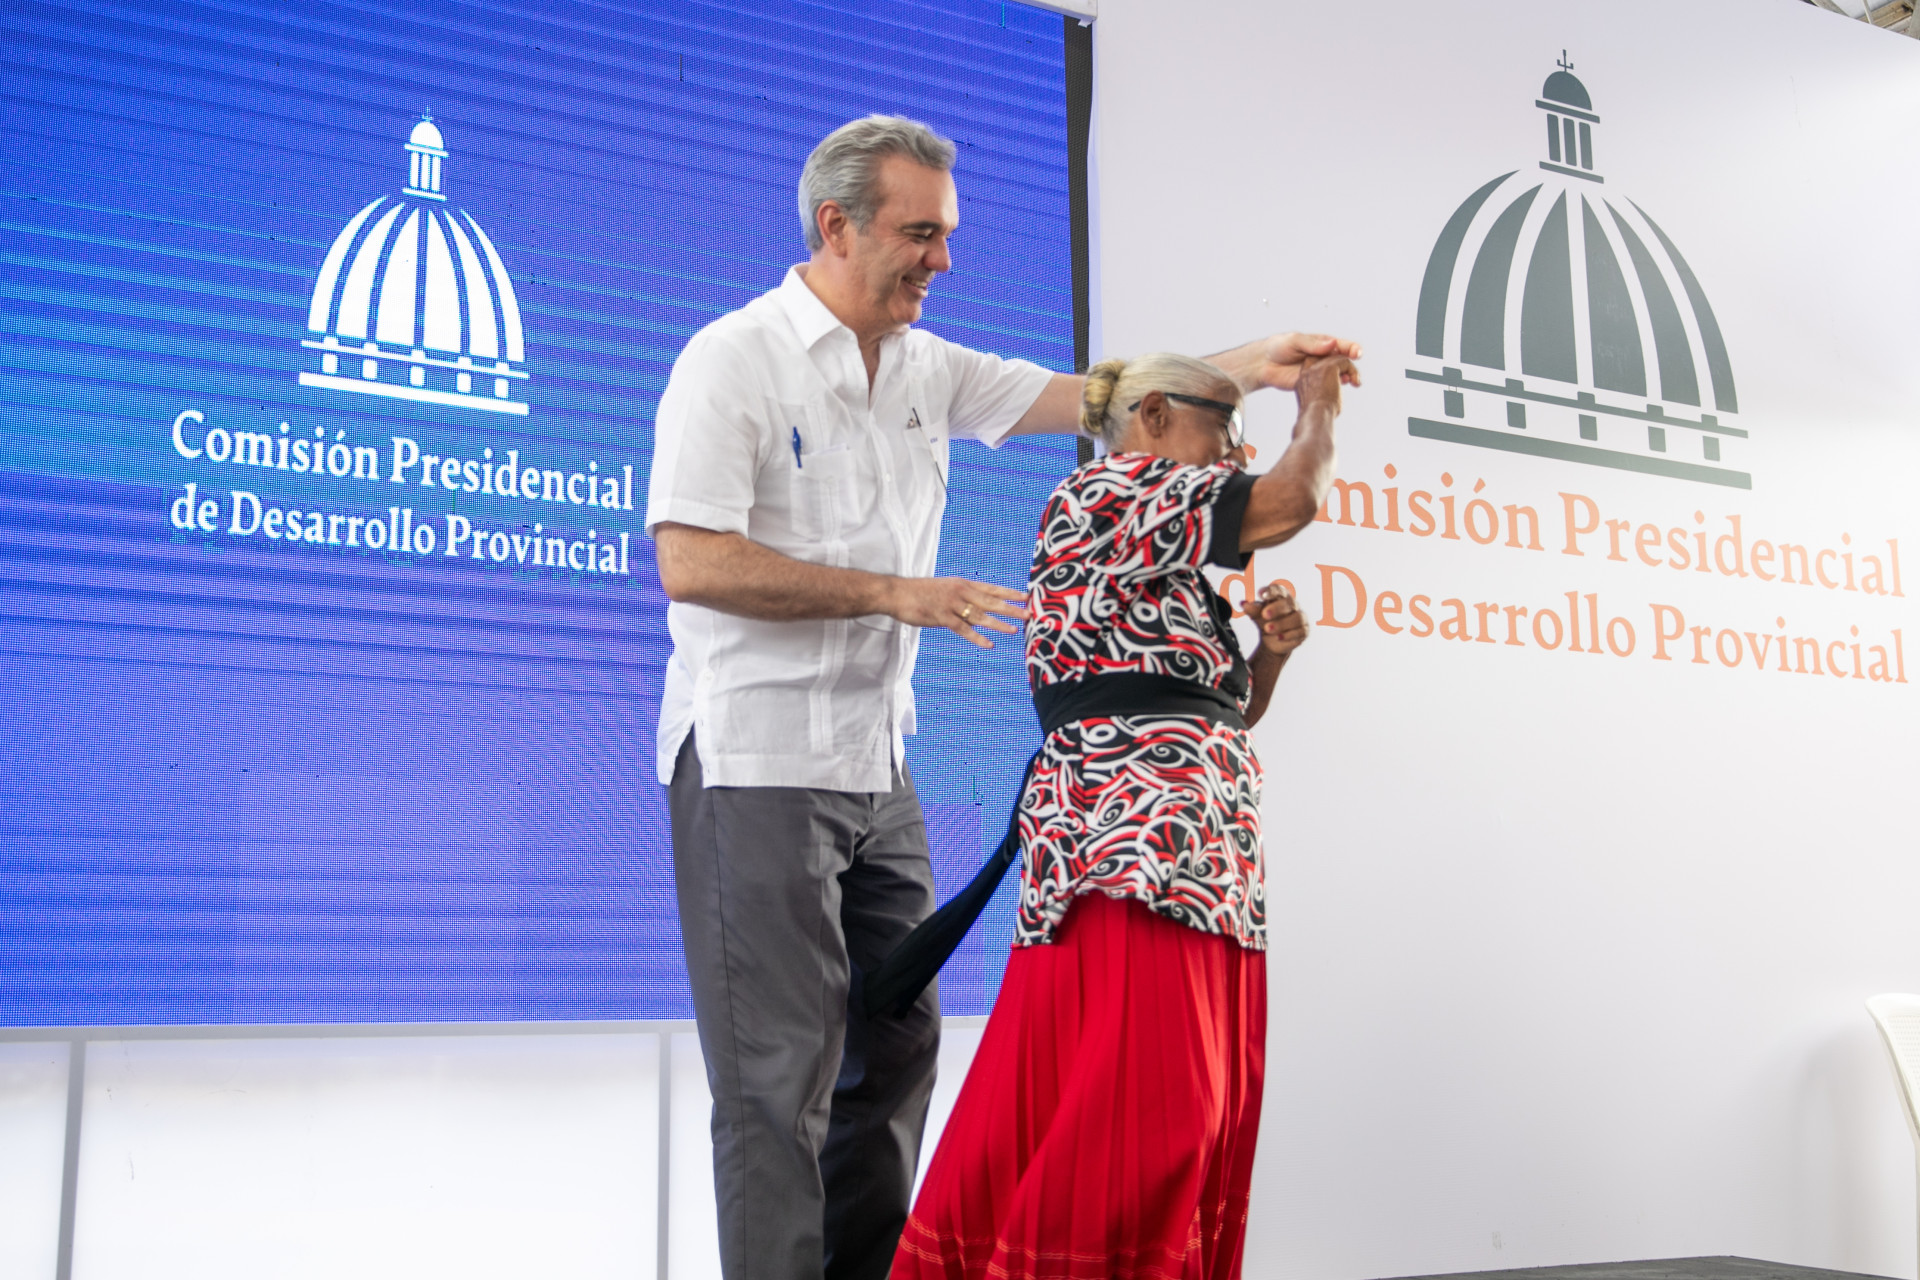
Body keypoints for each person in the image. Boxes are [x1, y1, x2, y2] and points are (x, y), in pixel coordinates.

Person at [645, 113, 1361, 1280]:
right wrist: (897, 593)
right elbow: (691, 561)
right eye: (919, 234)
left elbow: (1115, 397)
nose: (943, 258)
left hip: (878, 763)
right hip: (755, 757)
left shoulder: (928, 368)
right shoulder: (733, 359)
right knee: (777, 1081)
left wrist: (1260, 359)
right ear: (835, 226)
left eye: (948, 233)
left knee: (896, 1051)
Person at [892, 349, 1358, 1280]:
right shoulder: (1109, 493)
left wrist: (1267, 659)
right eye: (1224, 428)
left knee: (1174, 1113)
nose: (1235, 453)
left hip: (1198, 866)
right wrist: (1320, 404)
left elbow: (1212, 718)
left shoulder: (1162, 556)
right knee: (1155, 1116)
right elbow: (1288, 501)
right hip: (1131, 857)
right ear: (1151, 417)